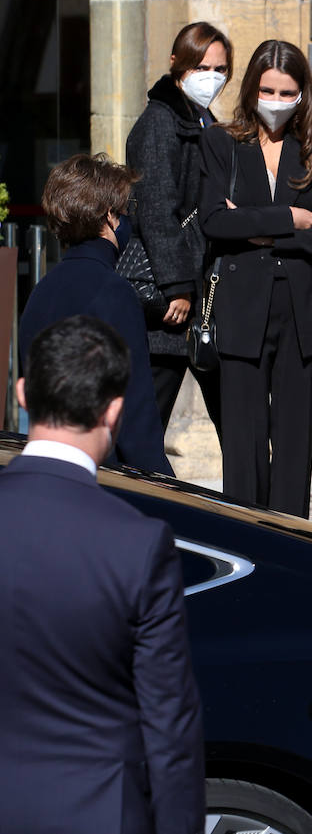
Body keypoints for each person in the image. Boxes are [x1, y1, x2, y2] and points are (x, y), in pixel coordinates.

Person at [0, 315, 204, 834]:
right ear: (114, 409)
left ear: (23, 393)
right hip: (96, 813)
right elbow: (169, 728)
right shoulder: (137, 542)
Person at [199, 39, 312, 518]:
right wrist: (288, 217)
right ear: (251, 89)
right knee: (243, 444)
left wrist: (263, 231)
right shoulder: (222, 142)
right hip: (242, 309)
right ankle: (247, 538)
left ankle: (292, 542)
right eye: (269, 90)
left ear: (302, 94)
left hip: (302, 312)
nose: (277, 102)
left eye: (288, 93)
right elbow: (214, 222)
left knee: (293, 442)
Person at [19, 153, 174, 475]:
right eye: (125, 211)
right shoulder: (113, 291)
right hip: (106, 477)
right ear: (109, 217)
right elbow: (136, 411)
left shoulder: (41, 291)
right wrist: (164, 484)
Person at [125, 21, 232, 436]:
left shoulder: (204, 121)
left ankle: (248, 497)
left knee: (235, 419)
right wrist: (178, 287)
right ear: (176, 63)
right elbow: (155, 209)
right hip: (175, 303)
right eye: (200, 66)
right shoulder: (160, 122)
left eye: (220, 69)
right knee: (147, 423)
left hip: (207, 295)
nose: (211, 77)